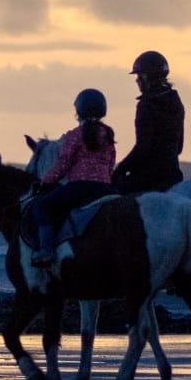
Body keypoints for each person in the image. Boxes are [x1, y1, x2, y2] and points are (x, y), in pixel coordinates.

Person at [27, 88, 117, 268]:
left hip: (80, 187)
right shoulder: (108, 134)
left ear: (79, 111)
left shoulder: (74, 135)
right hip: (105, 187)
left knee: (41, 206)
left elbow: (63, 163)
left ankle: (46, 250)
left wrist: (46, 181)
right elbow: (111, 162)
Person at [112, 50, 184, 194]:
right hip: (173, 175)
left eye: (139, 76)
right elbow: (179, 147)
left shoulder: (145, 105)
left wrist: (120, 169)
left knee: (113, 195)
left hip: (149, 177)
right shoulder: (176, 101)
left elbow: (143, 147)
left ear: (148, 77)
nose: (137, 80)